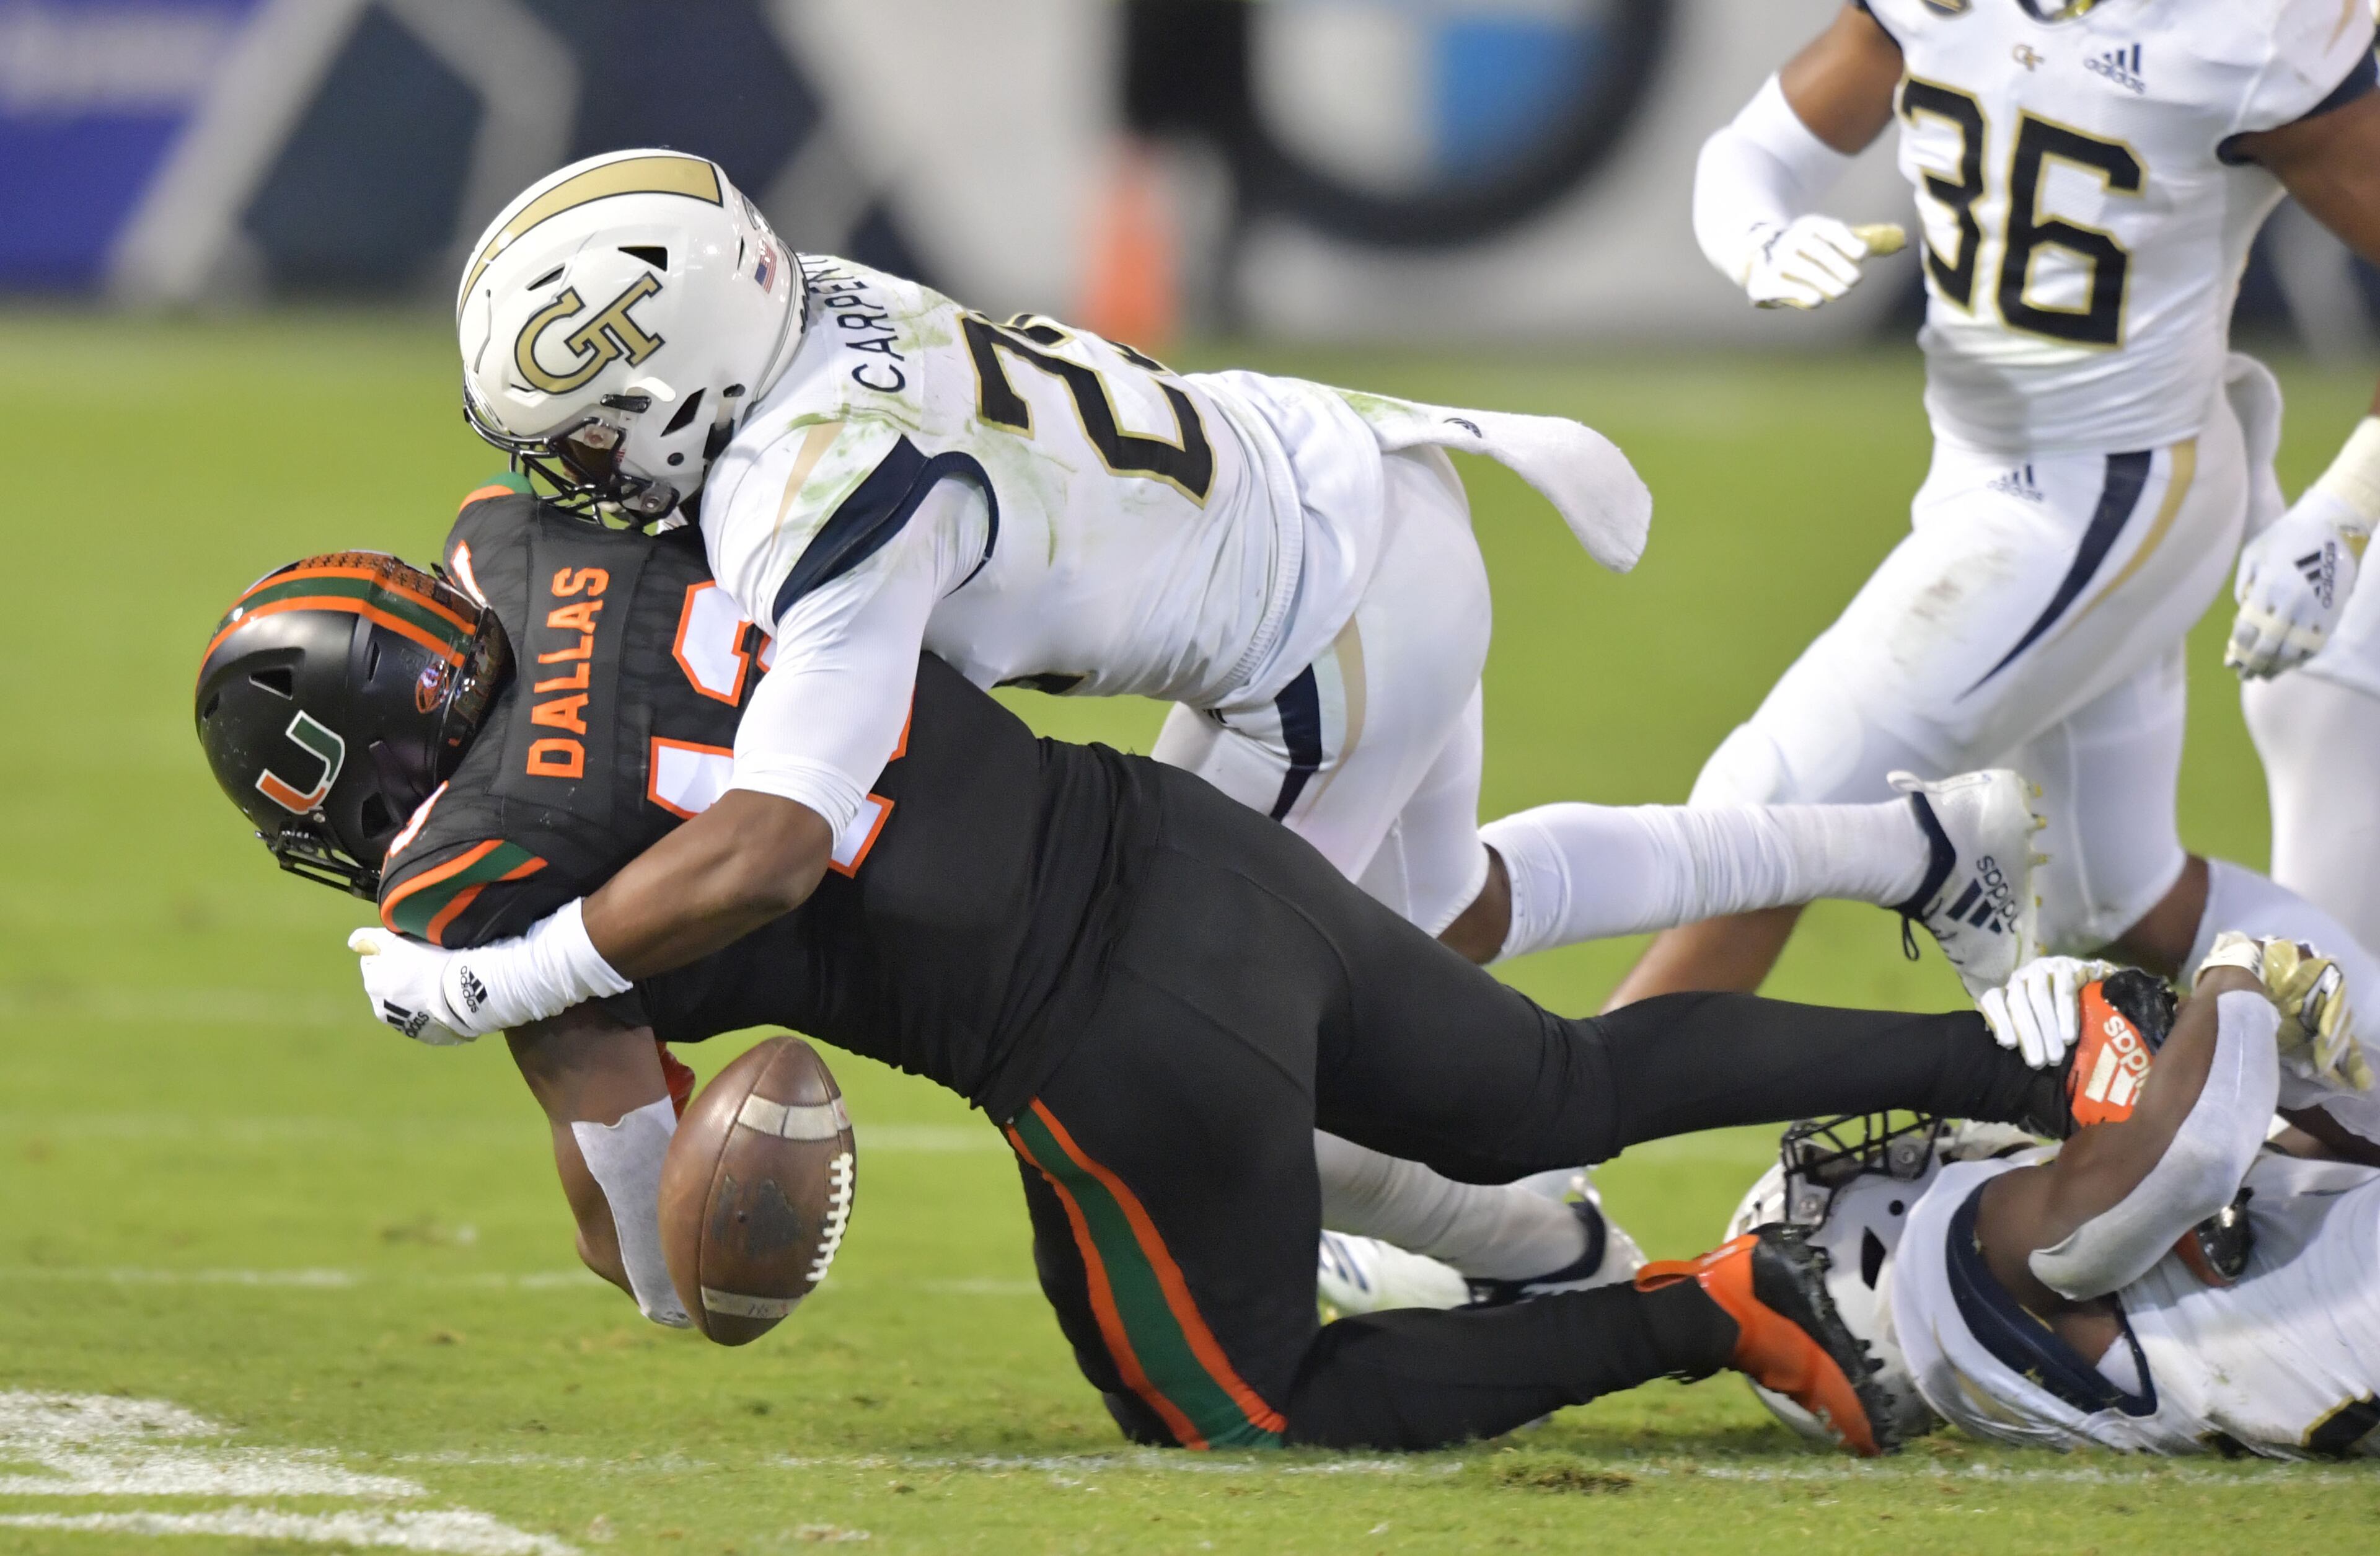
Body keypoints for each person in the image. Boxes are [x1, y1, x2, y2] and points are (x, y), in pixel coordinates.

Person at [364, 144, 2047, 1297]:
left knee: (1258, 1054)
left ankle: (1553, 1255)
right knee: (1447, 909)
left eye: (585, 437)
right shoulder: (807, 306)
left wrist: (511, 974)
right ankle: (1924, 842)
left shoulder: (817, 493)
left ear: (686, 378)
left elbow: (779, 840)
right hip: (1343, 486)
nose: (572, 477)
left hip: (1316, 632)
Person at [195, 488, 2089, 1453]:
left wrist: (578, 1047)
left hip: (1103, 1049)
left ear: (357, 773)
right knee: (1554, 1083)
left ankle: (1714, 1304)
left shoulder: (473, 868)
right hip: (1181, 840)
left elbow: (653, 1248)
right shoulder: (523, 548)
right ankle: (2022, 1049)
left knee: (1238, 1407)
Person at [1621, 0, 2380, 1154]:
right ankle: (2364, 1111)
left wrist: (2346, 509)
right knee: (2113, 898)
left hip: (2114, 493)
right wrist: (1759, 235)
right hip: (1983, 474)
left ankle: (1531, 1186)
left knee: (1770, 806)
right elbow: (1756, 149)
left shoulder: (2242, 28)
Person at [1725, 948, 2377, 1458]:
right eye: (1851, 1171)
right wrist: (2238, 973)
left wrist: (2277, 1067)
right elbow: (2191, 1159)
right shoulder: (1963, 1248)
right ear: (1858, 1253)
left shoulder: (2026, 1365)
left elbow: (2284, 1174)